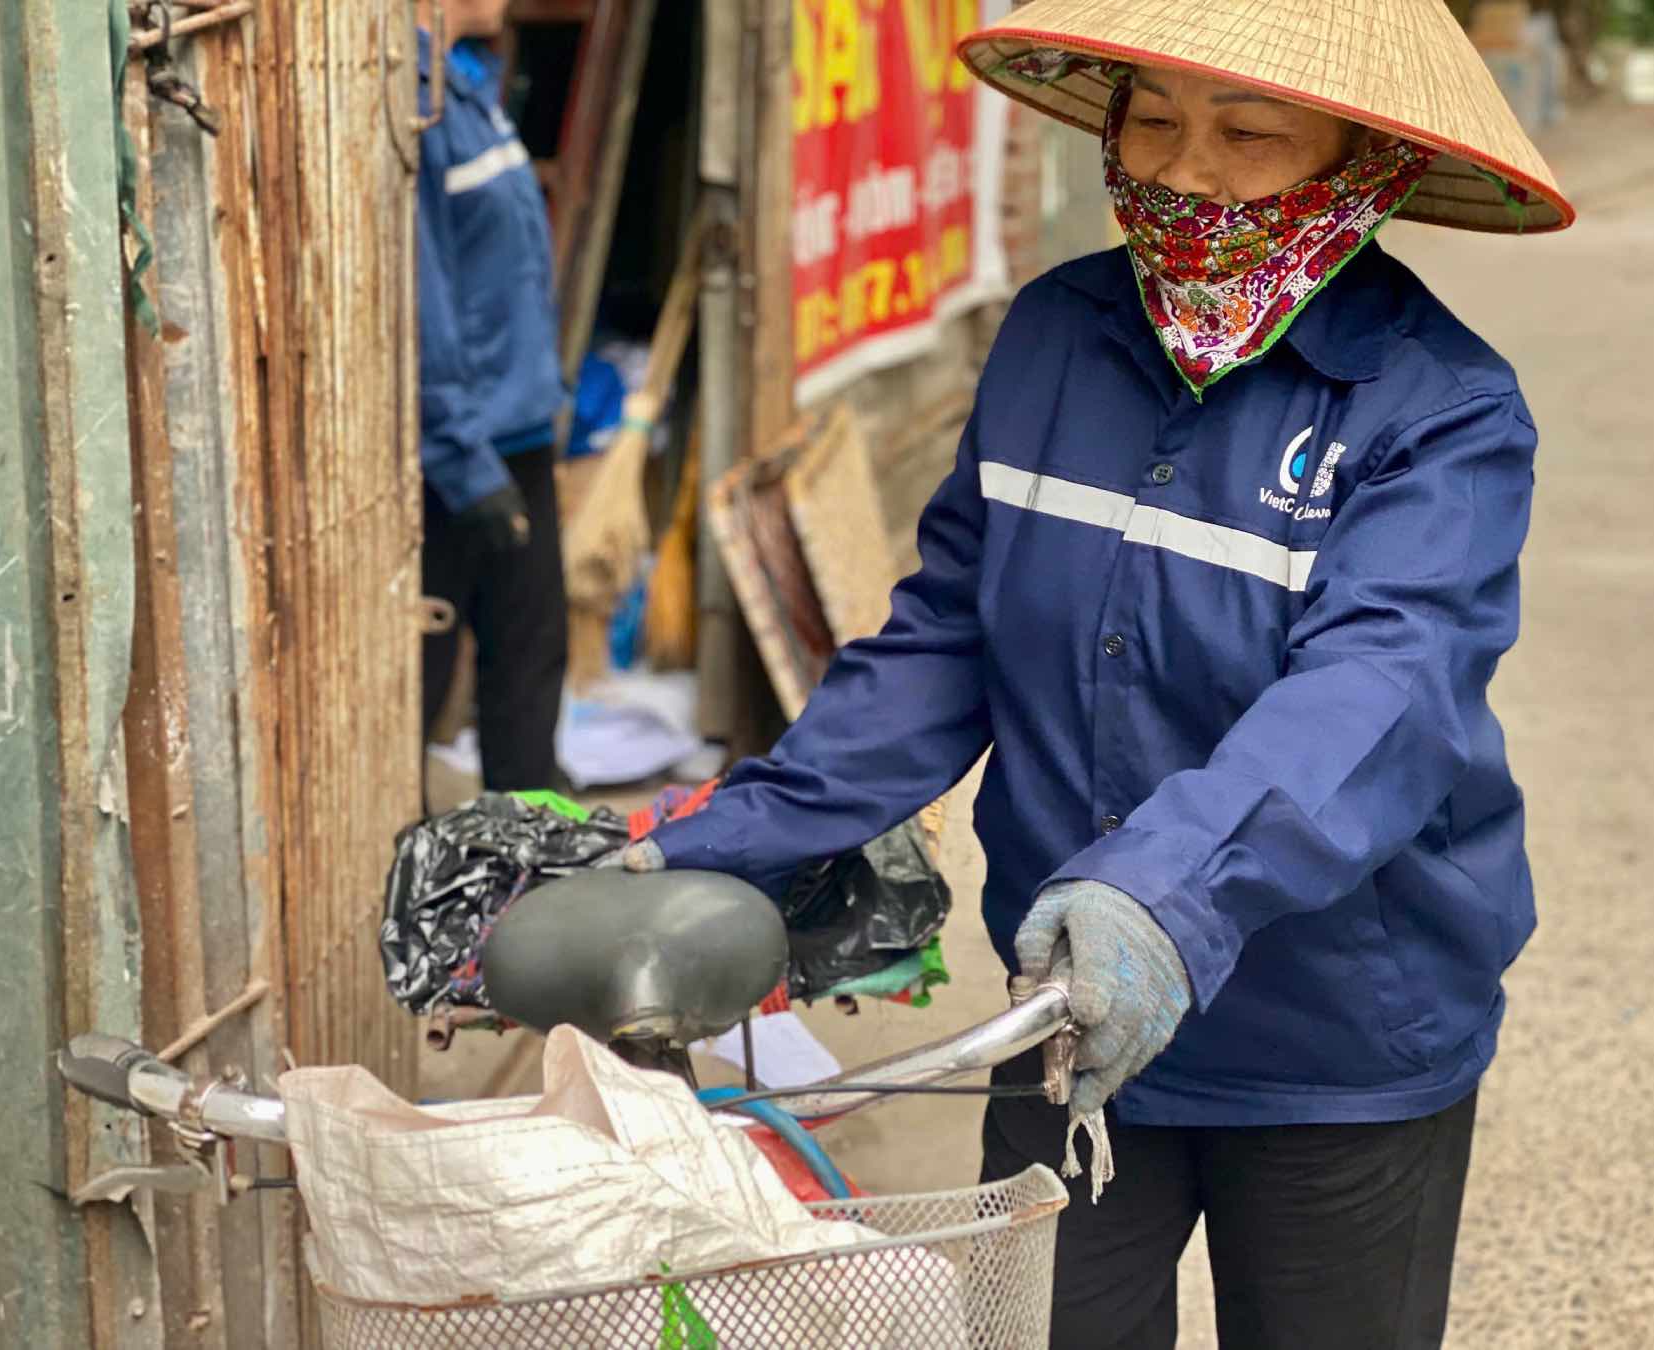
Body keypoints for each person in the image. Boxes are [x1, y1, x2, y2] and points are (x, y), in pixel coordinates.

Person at [629, 1, 1573, 1345]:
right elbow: (946, 639)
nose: (1186, 171)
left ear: (1363, 164)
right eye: (1154, 117)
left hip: (1340, 1047)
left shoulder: (1443, 409)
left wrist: (1160, 894)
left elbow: (1382, 692)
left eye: (1248, 133)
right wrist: (716, 846)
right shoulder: (1055, 336)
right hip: (1067, 1015)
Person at [416, 0, 569, 792]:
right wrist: (462, 462)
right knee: (422, 679)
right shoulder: (417, 103)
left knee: (529, 663)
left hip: (517, 434)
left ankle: (533, 860)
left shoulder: (467, 86)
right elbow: (423, 304)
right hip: (461, 458)